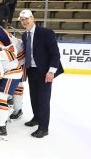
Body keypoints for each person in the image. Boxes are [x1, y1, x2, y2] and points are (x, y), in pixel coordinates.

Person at [18, 9, 64, 138]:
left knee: (43, 100)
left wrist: (51, 72)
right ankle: (37, 118)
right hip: (31, 70)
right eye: (22, 20)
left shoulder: (46, 33)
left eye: (26, 18)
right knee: (34, 97)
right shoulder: (24, 35)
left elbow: (55, 54)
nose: (24, 21)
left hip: (45, 72)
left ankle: (44, 128)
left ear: (32, 18)